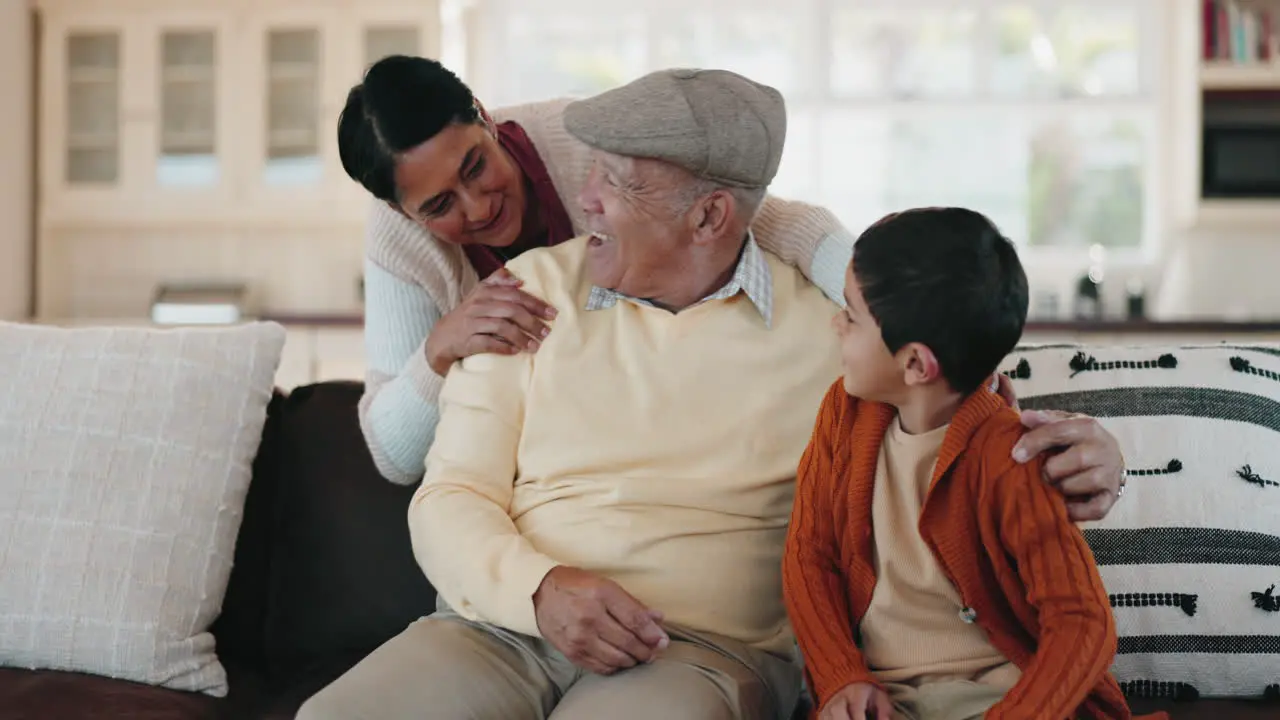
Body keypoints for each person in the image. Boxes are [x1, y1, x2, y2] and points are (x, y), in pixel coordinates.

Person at [301, 68, 1127, 720]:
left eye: (615, 183)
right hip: (497, 630)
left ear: (709, 220)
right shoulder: (520, 298)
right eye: (591, 174)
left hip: (700, 650)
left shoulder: (835, 338)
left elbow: (954, 411)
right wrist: (538, 589)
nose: (578, 200)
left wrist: (1092, 454)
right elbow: (445, 494)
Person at [338, 55, 854, 485]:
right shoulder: (399, 239)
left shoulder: (582, 140)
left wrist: (880, 296)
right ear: (404, 213)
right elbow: (393, 457)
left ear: (483, 115)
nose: (477, 208)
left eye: (475, 167)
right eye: (438, 206)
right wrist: (440, 348)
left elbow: (757, 216)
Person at [782, 208, 1164, 720]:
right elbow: (809, 556)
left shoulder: (1010, 456)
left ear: (916, 364)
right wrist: (840, 678)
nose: (835, 324)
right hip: (884, 702)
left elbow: (1082, 622)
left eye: (850, 316)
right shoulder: (841, 414)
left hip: (1006, 703)